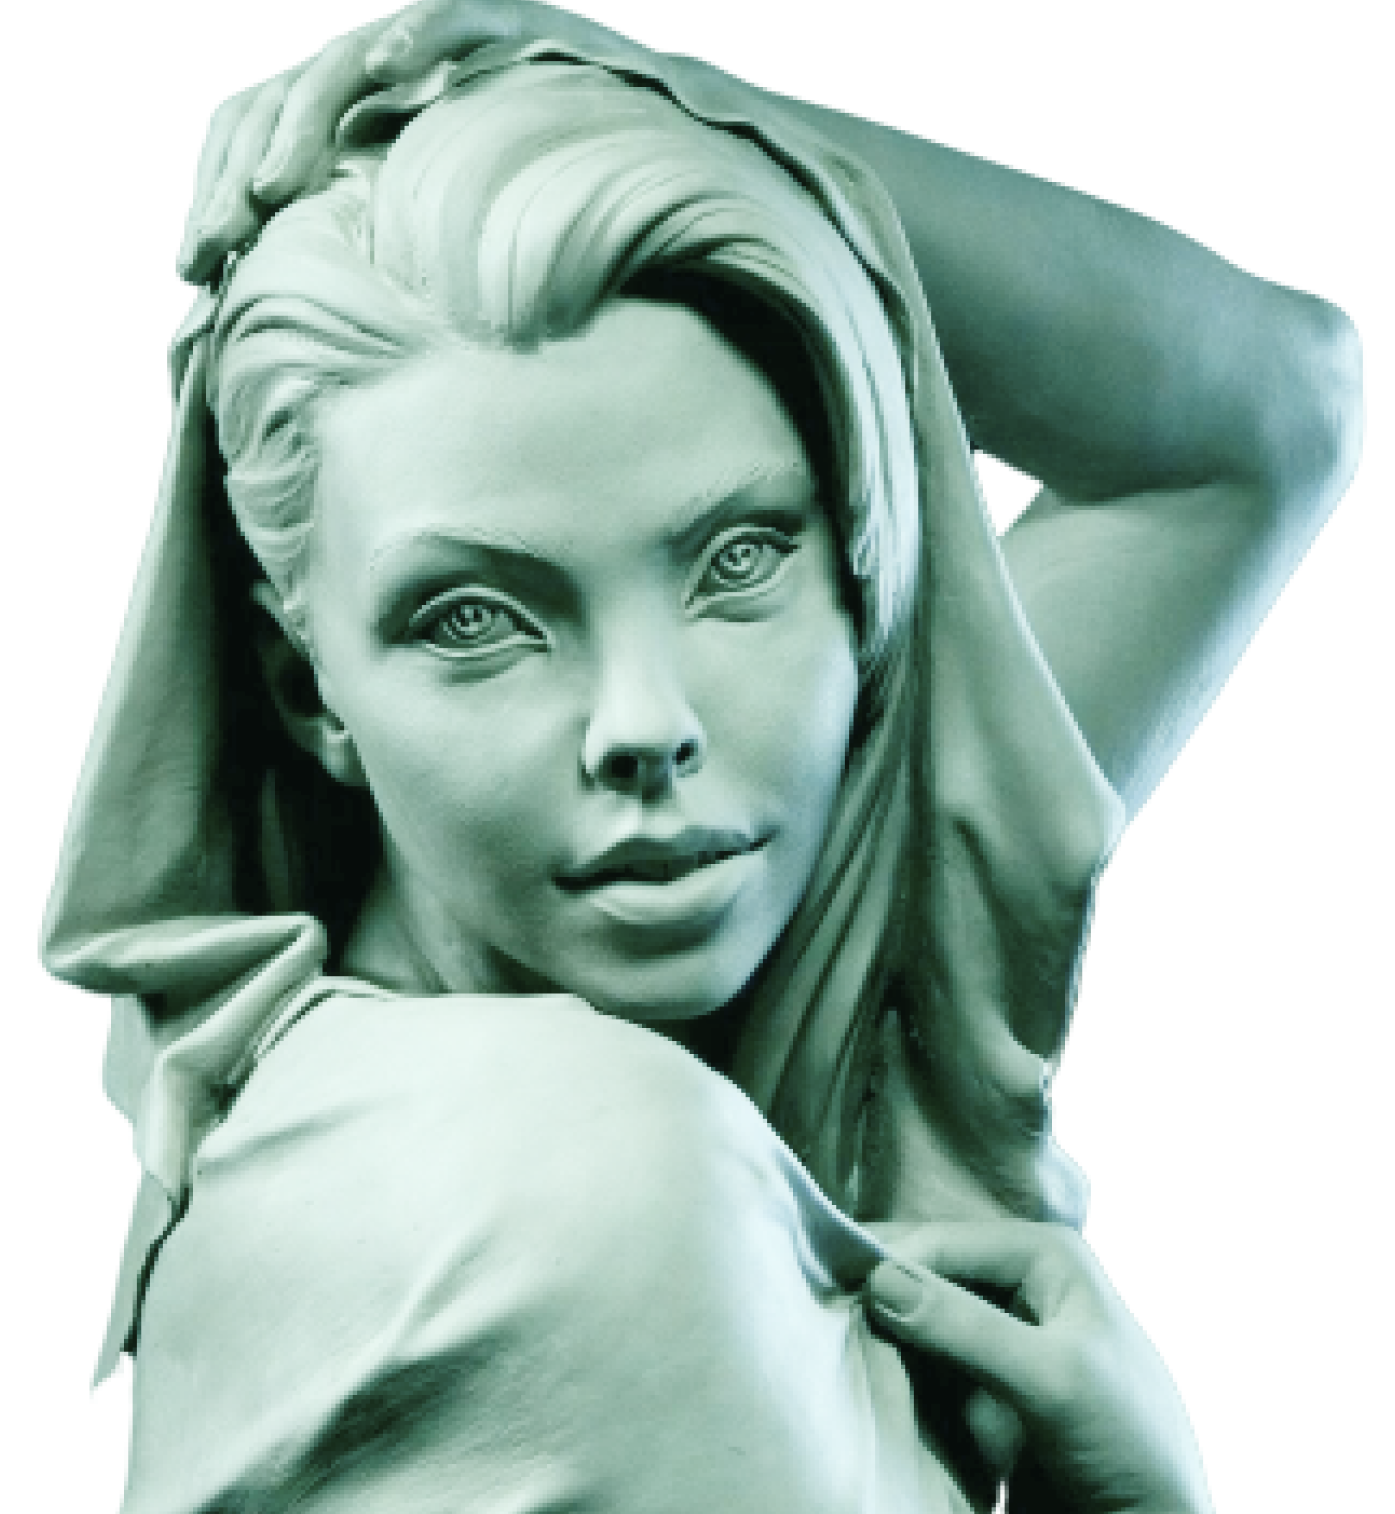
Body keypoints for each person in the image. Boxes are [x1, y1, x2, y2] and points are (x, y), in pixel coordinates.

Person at [41, 4, 1361, 1511]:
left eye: (737, 561)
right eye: (476, 619)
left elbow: (1271, 414)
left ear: (865, 575)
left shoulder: (804, 946)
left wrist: (677, 104)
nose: (644, 723)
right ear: (307, 691)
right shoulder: (596, 1178)